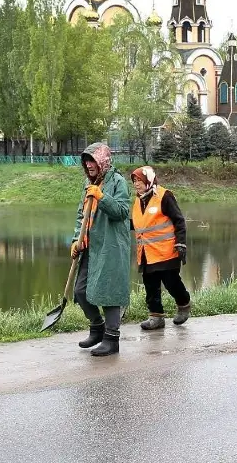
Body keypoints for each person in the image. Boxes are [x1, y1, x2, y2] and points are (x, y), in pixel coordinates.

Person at [69, 142, 132, 357]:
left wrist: (101, 197)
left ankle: (112, 339)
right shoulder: (88, 184)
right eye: (86, 161)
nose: (88, 165)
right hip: (91, 246)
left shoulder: (118, 181)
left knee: (109, 291)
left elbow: (123, 211)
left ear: (103, 160)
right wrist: (76, 239)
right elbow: (81, 215)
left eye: (92, 160)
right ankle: (97, 327)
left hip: (111, 245)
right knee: (80, 290)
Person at [130, 166, 192, 330]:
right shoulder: (138, 200)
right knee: (150, 286)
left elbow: (179, 221)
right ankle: (156, 317)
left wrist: (181, 244)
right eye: (134, 181)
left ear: (149, 180)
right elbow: (139, 224)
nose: (136, 184)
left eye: (140, 181)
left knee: (171, 282)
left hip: (166, 252)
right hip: (146, 253)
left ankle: (184, 304)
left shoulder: (165, 196)